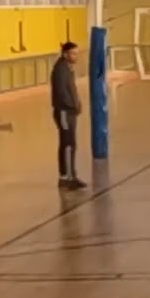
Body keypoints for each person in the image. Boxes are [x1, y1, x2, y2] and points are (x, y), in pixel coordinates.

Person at [51, 42, 85, 190]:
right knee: (67, 144)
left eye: (77, 53)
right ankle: (66, 177)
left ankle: (70, 175)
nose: (76, 56)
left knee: (71, 144)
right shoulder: (60, 70)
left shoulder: (67, 68)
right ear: (65, 54)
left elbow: (71, 89)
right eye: (73, 53)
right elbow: (61, 92)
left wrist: (77, 104)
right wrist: (71, 105)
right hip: (64, 112)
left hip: (70, 111)